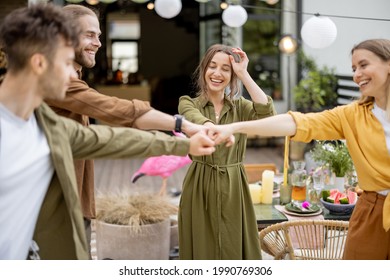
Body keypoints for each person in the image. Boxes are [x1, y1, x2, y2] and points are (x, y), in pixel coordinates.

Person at [0, 3, 215, 260]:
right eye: (67, 62)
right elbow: (115, 112)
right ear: (39, 63)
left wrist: (185, 144)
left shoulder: (47, 125)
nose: (74, 73)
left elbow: (109, 139)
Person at [210, 39, 390, 260]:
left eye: (363, 65)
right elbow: (297, 123)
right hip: (371, 213)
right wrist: (236, 127)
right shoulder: (352, 115)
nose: (356, 74)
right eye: (354, 69)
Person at [177, 44, 277, 259]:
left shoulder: (240, 107)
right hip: (200, 183)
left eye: (226, 69)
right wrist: (213, 128)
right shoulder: (188, 103)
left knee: (233, 242)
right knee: (202, 245)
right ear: (204, 70)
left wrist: (244, 73)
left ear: (232, 76)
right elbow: (194, 120)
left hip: (234, 184)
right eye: (212, 66)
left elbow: (267, 114)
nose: (217, 73)